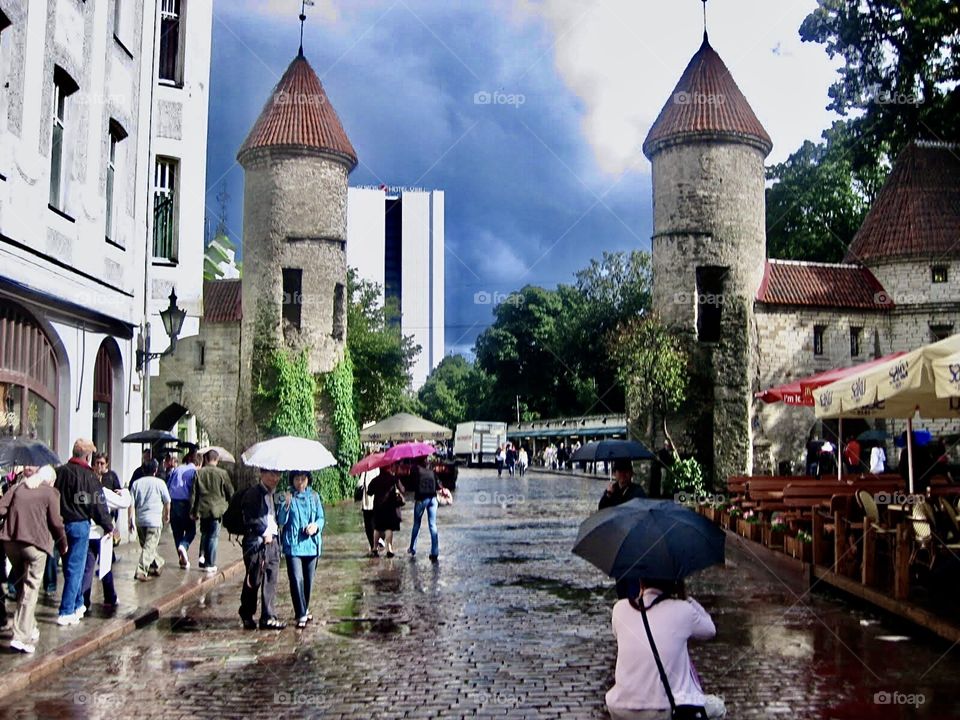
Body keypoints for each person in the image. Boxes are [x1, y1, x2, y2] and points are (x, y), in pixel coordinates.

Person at [606, 579, 726, 719]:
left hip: (620, 707)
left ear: (641, 582)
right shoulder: (683, 609)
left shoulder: (619, 609)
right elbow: (710, 630)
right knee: (718, 707)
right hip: (662, 708)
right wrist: (686, 598)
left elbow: (619, 634)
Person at [0, 465, 68, 653]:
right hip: (35, 546)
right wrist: (63, 543)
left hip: (11, 542)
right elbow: (56, 522)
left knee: (23, 585)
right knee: (30, 588)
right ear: (50, 480)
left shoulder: (18, 487)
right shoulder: (50, 492)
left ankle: (30, 626)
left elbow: (1, 509)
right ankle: (20, 636)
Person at [54, 439, 114, 626]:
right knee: (75, 568)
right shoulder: (88, 476)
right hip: (79, 525)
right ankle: (66, 610)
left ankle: (78, 603)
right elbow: (98, 503)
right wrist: (109, 525)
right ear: (88, 456)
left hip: (61, 525)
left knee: (69, 567)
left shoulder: (60, 472)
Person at [277, 471, 324, 629]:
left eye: (303, 479)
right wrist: (285, 505)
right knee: (296, 579)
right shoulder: (286, 496)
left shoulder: (315, 497)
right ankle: (300, 613)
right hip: (293, 545)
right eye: (297, 479)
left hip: (311, 545)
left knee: (308, 581)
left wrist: (315, 526)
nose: (300, 482)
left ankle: (304, 607)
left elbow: (321, 517)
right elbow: (281, 520)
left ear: (308, 480)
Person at [239, 468, 284, 630]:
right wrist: (264, 532)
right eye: (272, 474)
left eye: (278, 474)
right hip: (256, 543)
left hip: (273, 541)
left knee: (271, 578)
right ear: (262, 474)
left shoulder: (275, 494)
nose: (275, 478)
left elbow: (277, 516)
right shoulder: (253, 494)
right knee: (255, 578)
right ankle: (246, 613)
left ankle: (268, 616)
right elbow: (250, 518)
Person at [600, 459, 646, 599]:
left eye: (626, 472)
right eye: (620, 472)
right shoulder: (612, 492)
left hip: (633, 543)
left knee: (633, 583)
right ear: (615, 474)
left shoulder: (637, 491)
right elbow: (602, 510)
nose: (623, 476)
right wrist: (607, 495)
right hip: (617, 543)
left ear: (631, 474)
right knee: (621, 583)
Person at [81, 481, 130, 612]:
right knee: (105, 567)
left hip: (88, 534)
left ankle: (84, 601)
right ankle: (110, 597)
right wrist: (124, 492)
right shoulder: (103, 492)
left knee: (88, 569)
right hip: (102, 535)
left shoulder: (83, 492)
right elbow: (124, 502)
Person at [190, 449, 234, 574]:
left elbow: (193, 493)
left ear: (206, 459)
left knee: (204, 533)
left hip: (202, 509)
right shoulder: (222, 473)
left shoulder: (199, 473)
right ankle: (210, 563)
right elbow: (230, 491)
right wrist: (232, 506)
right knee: (213, 537)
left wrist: (193, 510)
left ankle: (202, 557)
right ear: (217, 459)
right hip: (217, 510)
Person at [129, 460, 170, 580]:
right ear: (155, 470)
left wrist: (130, 520)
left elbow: (131, 504)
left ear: (143, 470)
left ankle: (157, 563)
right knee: (148, 547)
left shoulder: (136, 483)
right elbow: (167, 501)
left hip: (140, 520)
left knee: (147, 547)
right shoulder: (160, 483)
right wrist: (167, 515)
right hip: (155, 521)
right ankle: (142, 571)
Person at [166, 450, 198, 568]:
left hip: (173, 502)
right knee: (191, 530)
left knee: (177, 532)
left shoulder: (177, 469)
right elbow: (194, 490)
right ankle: (184, 546)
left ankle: (182, 559)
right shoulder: (193, 471)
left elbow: (168, 485)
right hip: (186, 503)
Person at [407, 457, 440, 562]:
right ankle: (434, 552)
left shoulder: (416, 470)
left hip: (421, 500)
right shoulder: (432, 471)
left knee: (417, 524)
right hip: (433, 500)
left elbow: (411, 486)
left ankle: (412, 548)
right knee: (433, 525)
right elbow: (439, 485)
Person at [368, 464, 405, 557]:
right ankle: (389, 549)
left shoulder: (375, 480)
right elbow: (403, 490)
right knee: (388, 528)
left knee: (377, 528)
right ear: (388, 468)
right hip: (390, 507)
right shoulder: (393, 479)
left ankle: (374, 548)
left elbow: (369, 492)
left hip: (378, 508)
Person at [357, 468, 378, 553]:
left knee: (368, 527)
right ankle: (377, 543)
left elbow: (359, 484)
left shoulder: (365, 470)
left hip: (366, 503)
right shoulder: (378, 469)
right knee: (376, 525)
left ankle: (373, 546)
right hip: (376, 502)